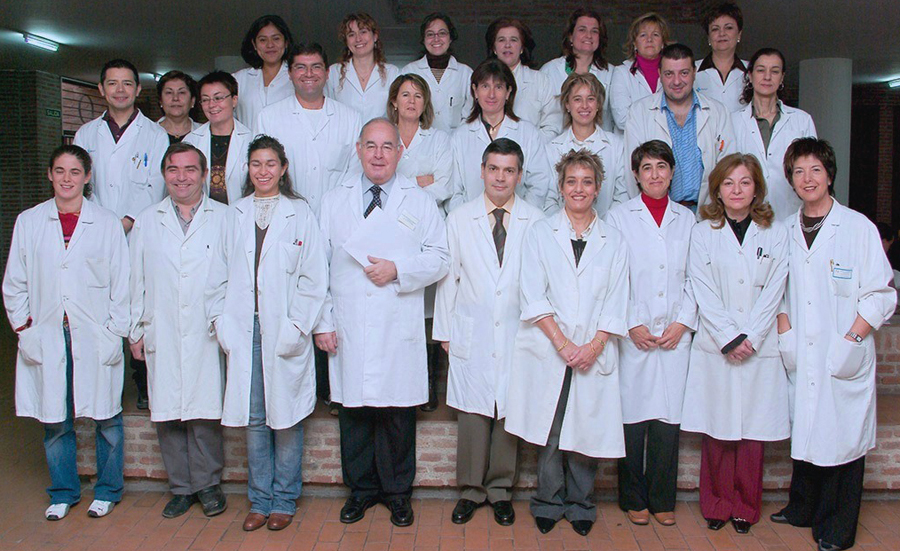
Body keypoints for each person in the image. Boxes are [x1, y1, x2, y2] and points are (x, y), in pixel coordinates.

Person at [313, 119, 449, 527]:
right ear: (358, 149)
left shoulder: (419, 201)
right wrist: (323, 322)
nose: (378, 154)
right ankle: (361, 491)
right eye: (370, 146)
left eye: (387, 146)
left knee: (396, 415)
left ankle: (397, 494)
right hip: (348, 321)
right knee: (354, 413)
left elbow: (440, 258)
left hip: (397, 321)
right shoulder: (333, 201)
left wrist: (398, 270)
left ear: (400, 152)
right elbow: (317, 266)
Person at [771, 138, 896, 551]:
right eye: (799, 171)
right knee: (808, 428)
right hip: (801, 347)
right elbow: (778, 291)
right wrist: (786, 330)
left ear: (829, 175)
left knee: (842, 437)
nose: (807, 179)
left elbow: (880, 294)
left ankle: (838, 528)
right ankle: (802, 508)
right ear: (790, 179)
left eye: (815, 170)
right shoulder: (785, 230)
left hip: (843, 347)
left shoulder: (858, 228)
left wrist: (853, 337)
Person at [205, 135, 328, 532]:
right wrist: (220, 322)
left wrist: (298, 325)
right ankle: (259, 501)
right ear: (248, 169)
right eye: (256, 163)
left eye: (270, 163)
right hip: (244, 329)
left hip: (284, 329)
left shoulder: (300, 214)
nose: (263, 171)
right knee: (255, 418)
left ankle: (284, 500)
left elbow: (314, 277)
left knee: (286, 418)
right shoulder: (235, 214)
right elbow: (216, 275)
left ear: (283, 168)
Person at [505, 149, 628, 537]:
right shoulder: (541, 234)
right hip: (550, 348)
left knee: (586, 430)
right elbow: (532, 294)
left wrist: (592, 347)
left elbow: (617, 300)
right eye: (571, 181)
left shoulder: (614, 240)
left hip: (593, 351)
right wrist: (563, 345)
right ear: (560, 187)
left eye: (587, 182)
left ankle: (581, 503)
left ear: (598, 188)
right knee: (552, 428)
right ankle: (548, 500)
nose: (579, 188)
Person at [3, 145, 129, 520]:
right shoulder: (29, 221)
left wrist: (114, 330)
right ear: (50, 174)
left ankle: (107, 490)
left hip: (95, 333)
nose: (67, 179)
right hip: (47, 333)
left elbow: (121, 282)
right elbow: (14, 283)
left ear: (87, 177)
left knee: (107, 419)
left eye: (75, 172)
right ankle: (63, 491)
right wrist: (24, 328)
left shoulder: (105, 222)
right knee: (55, 419)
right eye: (60, 171)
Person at [434, 138, 544, 526]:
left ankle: (500, 491)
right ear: (482, 171)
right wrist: (446, 332)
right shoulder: (459, 218)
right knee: (473, 413)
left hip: (518, 330)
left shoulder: (536, 220)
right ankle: (470, 491)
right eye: (494, 169)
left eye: (509, 170)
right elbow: (449, 279)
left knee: (507, 412)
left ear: (519, 175)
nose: (500, 177)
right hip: (471, 328)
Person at [681, 153, 790, 534]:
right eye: (728, 183)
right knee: (718, 431)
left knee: (751, 435)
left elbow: (775, 289)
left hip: (759, 345)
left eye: (745, 182)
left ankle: (745, 507)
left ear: (756, 188)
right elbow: (702, 288)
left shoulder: (775, 232)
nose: (736, 190)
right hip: (718, 344)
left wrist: (753, 337)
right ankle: (716, 504)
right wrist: (729, 337)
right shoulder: (702, 233)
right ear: (717, 190)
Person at [128, 143, 228, 519]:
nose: (181, 177)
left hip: (207, 329)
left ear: (204, 174)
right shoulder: (147, 220)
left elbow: (234, 277)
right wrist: (135, 330)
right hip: (162, 326)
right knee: (168, 412)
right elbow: (134, 279)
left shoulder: (224, 218)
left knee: (204, 412)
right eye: (173, 169)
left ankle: (208, 484)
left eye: (189, 169)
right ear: (164, 175)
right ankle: (181, 487)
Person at [605, 140, 696, 527]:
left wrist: (683, 322)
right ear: (636, 175)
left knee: (667, 422)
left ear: (672, 172)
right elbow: (612, 277)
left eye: (661, 166)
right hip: (635, 333)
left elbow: (696, 278)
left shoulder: (687, 220)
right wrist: (631, 322)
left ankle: (662, 499)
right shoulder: (617, 218)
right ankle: (633, 497)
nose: (655, 174)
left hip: (675, 334)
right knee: (633, 419)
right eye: (647, 168)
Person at [73, 58, 169, 410]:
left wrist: (126, 222)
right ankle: (102, 388)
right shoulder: (86, 134)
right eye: (112, 83)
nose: (120, 90)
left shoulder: (155, 134)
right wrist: (103, 224)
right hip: (96, 234)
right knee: (101, 307)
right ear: (101, 89)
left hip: (137, 230)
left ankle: (143, 383)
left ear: (138, 89)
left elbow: (157, 185)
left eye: (127, 83)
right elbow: (83, 184)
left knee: (141, 305)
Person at [388, 73, 454, 410]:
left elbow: (444, 186)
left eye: (418, 95)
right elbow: (380, 182)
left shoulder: (439, 139)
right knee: (397, 305)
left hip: (428, 228)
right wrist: (419, 182)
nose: (411, 101)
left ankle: (427, 386)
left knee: (427, 309)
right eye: (405, 94)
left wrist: (403, 185)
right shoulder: (385, 137)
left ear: (426, 102)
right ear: (394, 101)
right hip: (391, 231)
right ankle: (398, 382)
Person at [625, 44, 736, 214]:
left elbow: (728, 168)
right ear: (660, 74)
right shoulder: (639, 112)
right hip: (657, 213)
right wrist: (644, 215)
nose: (676, 81)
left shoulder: (718, 112)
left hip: (708, 212)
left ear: (694, 72)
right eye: (669, 74)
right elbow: (633, 171)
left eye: (684, 73)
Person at [256, 43, 362, 216]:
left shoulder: (351, 118)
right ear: (289, 73)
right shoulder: (269, 117)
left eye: (316, 67)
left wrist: (336, 211)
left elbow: (354, 173)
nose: (309, 73)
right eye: (300, 67)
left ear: (327, 73)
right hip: (284, 215)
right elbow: (263, 172)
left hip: (337, 216)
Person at [449, 59, 555, 213]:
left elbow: (539, 183)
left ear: (508, 92)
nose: (491, 94)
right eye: (485, 86)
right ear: (475, 91)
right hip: (472, 222)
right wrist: (471, 219)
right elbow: (454, 191)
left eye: (498, 87)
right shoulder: (460, 136)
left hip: (519, 221)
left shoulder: (528, 133)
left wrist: (519, 217)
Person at [732, 48, 816, 219]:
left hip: (791, 213)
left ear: (782, 77)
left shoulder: (801, 120)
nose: (767, 77)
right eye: (761, 70)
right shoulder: (732, 121)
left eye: (775, 71)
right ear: (750, 75)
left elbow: (812, 170)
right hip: (745, 215)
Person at [547, 73, 631, 216]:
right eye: (577, 99)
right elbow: (549, 200)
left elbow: (622, 196)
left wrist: (599, 226)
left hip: (606, 226)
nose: (584, 105)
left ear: (598, 104)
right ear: (567, 105)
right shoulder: (552, 148)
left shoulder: (617, 146)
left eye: (591, 99)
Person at [183, 71, 253, 205]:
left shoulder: (251, 139)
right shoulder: (191, 141)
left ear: (234, 100)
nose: (211, 105)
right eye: (205, 100)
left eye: (218, 98)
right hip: (202, 214)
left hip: (241, 213)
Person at [540, 8, 614, 133]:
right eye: (582, 30)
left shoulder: (611, 73)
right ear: (570, 36)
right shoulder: (549, 70)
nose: (589, 35)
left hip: (600, 142)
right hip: (557, 141)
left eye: (594, 31)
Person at [399, 13, 474, 133]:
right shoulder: (410, 71)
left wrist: (459, 137)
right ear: (423, 39)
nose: (436, 39)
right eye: (430, 34)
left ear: (450, 38)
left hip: (455, 140)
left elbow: (471, 115)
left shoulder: (465, 73)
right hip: (419, 139)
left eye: (442, 33)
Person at [485, 18, 557, 139]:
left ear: (522, 47)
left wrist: (529, 146)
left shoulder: (541, 81)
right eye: (501, 40)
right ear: (494, 48)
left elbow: (552, 127)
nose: (507, 45)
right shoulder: (481, 81)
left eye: (513, 40)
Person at [327, 12, 400, 123]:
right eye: (351, 34)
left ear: (375, 36)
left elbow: (398, 114)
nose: (358, 39)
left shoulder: (392, 73)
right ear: (346, 41)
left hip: (381, 134)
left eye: (363, 32)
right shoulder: (334, 72)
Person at [609, 13, 670, 133]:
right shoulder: (621, 73)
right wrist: (663, 120)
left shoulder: (672, 73)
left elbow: (680, 113)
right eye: (643, 35)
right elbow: (622, 119)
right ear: (634, 43)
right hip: (632, 143)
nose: (649, 39)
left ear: (663, 43)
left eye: (655, 35)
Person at [233, 15, 295, 126]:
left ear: (286, 42)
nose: (270, 45)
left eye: (276, 38)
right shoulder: (238, 79)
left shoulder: (298, 77)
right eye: (263, 40)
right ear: (254, 45)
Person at [694, 2, 747, 113]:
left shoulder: (753, 70)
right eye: (715, 29)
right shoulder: (691, 70)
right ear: (708, 37)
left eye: (728, 28)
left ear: (739, 34)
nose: (722, 33)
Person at [157, 71, 200, 144]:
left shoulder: (205, 132)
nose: (175, 98)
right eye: (169, 92)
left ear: (192, 101)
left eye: (181, 92)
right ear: (160, 101)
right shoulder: (147, 132)